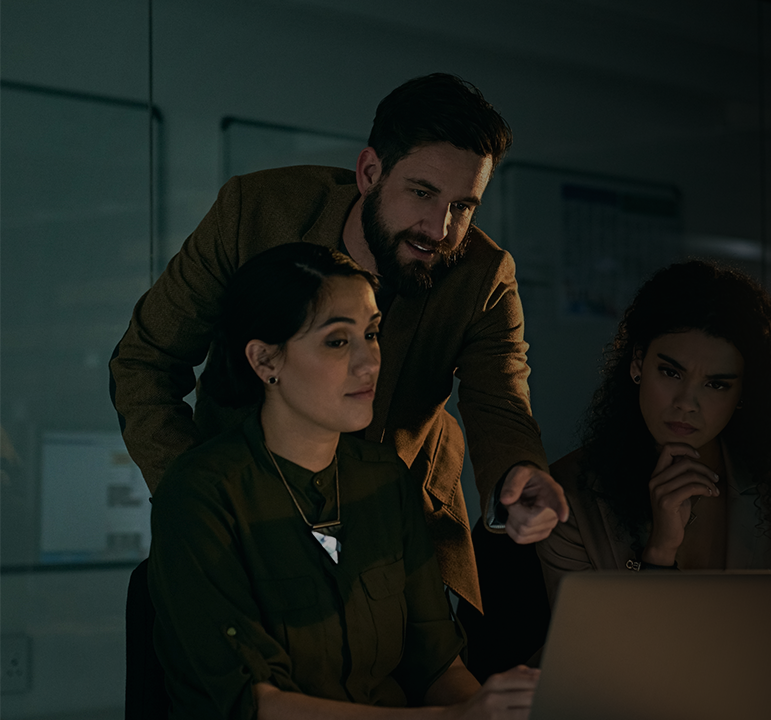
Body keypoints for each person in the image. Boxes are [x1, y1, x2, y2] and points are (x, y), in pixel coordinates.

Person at [110, 74, 569, 621]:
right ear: (370, 172)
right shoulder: (254, 213)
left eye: (463, 206)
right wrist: (208, 503)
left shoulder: (484, 274)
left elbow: (500, 398)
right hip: (243, 516)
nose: (440, 229)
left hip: (394, 533)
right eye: (422, 193)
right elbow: (146, 362)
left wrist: (520, 476)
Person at [148, 243, 539, 718]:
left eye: (371, 334)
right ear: (265, 361)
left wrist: (488, 710)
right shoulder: (201, 493)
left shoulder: (385, 478)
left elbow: (437, 665)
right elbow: (257, 705)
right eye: (337, 341)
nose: (369, 362)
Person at [536, 260, 771, 604]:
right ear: (637, 363)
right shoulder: (567, 496)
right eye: (671, 373)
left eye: (716, 385)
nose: (687, 403)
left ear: (742, 395)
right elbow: (589, 649)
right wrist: (660, 551)